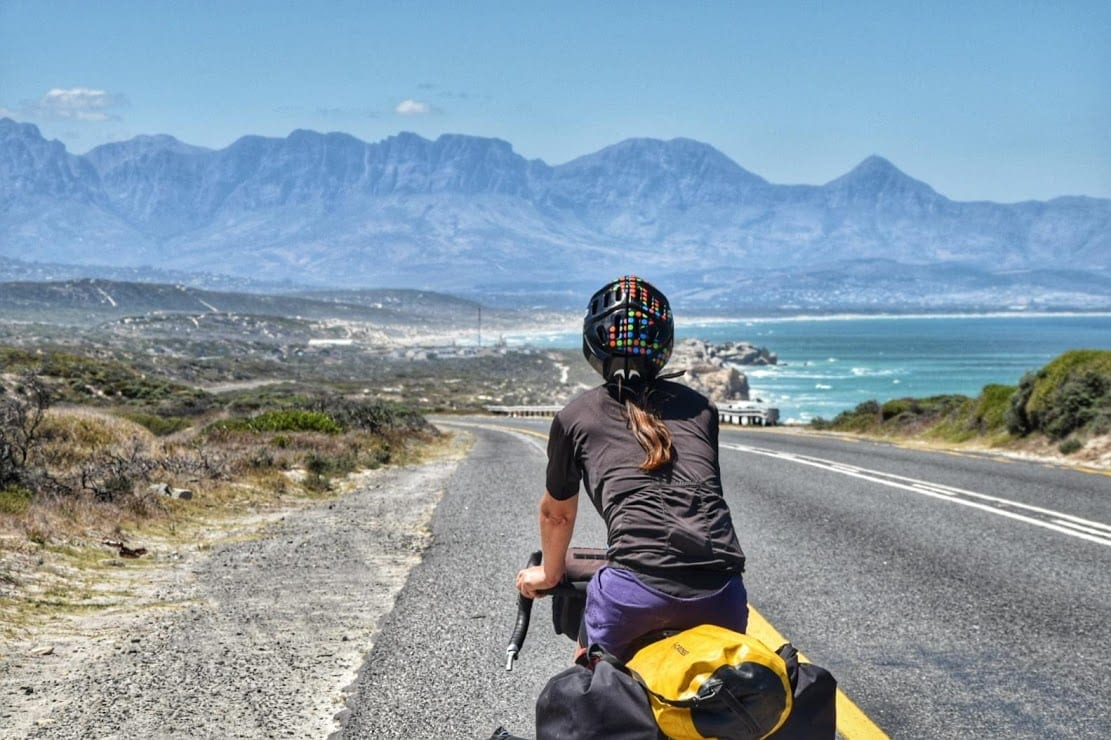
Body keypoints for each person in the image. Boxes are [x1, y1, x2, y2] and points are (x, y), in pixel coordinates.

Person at [515, 275, 748, 661]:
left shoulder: (575, 417)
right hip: (723, 594)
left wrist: (550, 574)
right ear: (665, 342)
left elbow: (556, 515)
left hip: (634, 592)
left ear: (593, 342)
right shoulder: (702, 411)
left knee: (591, 685)